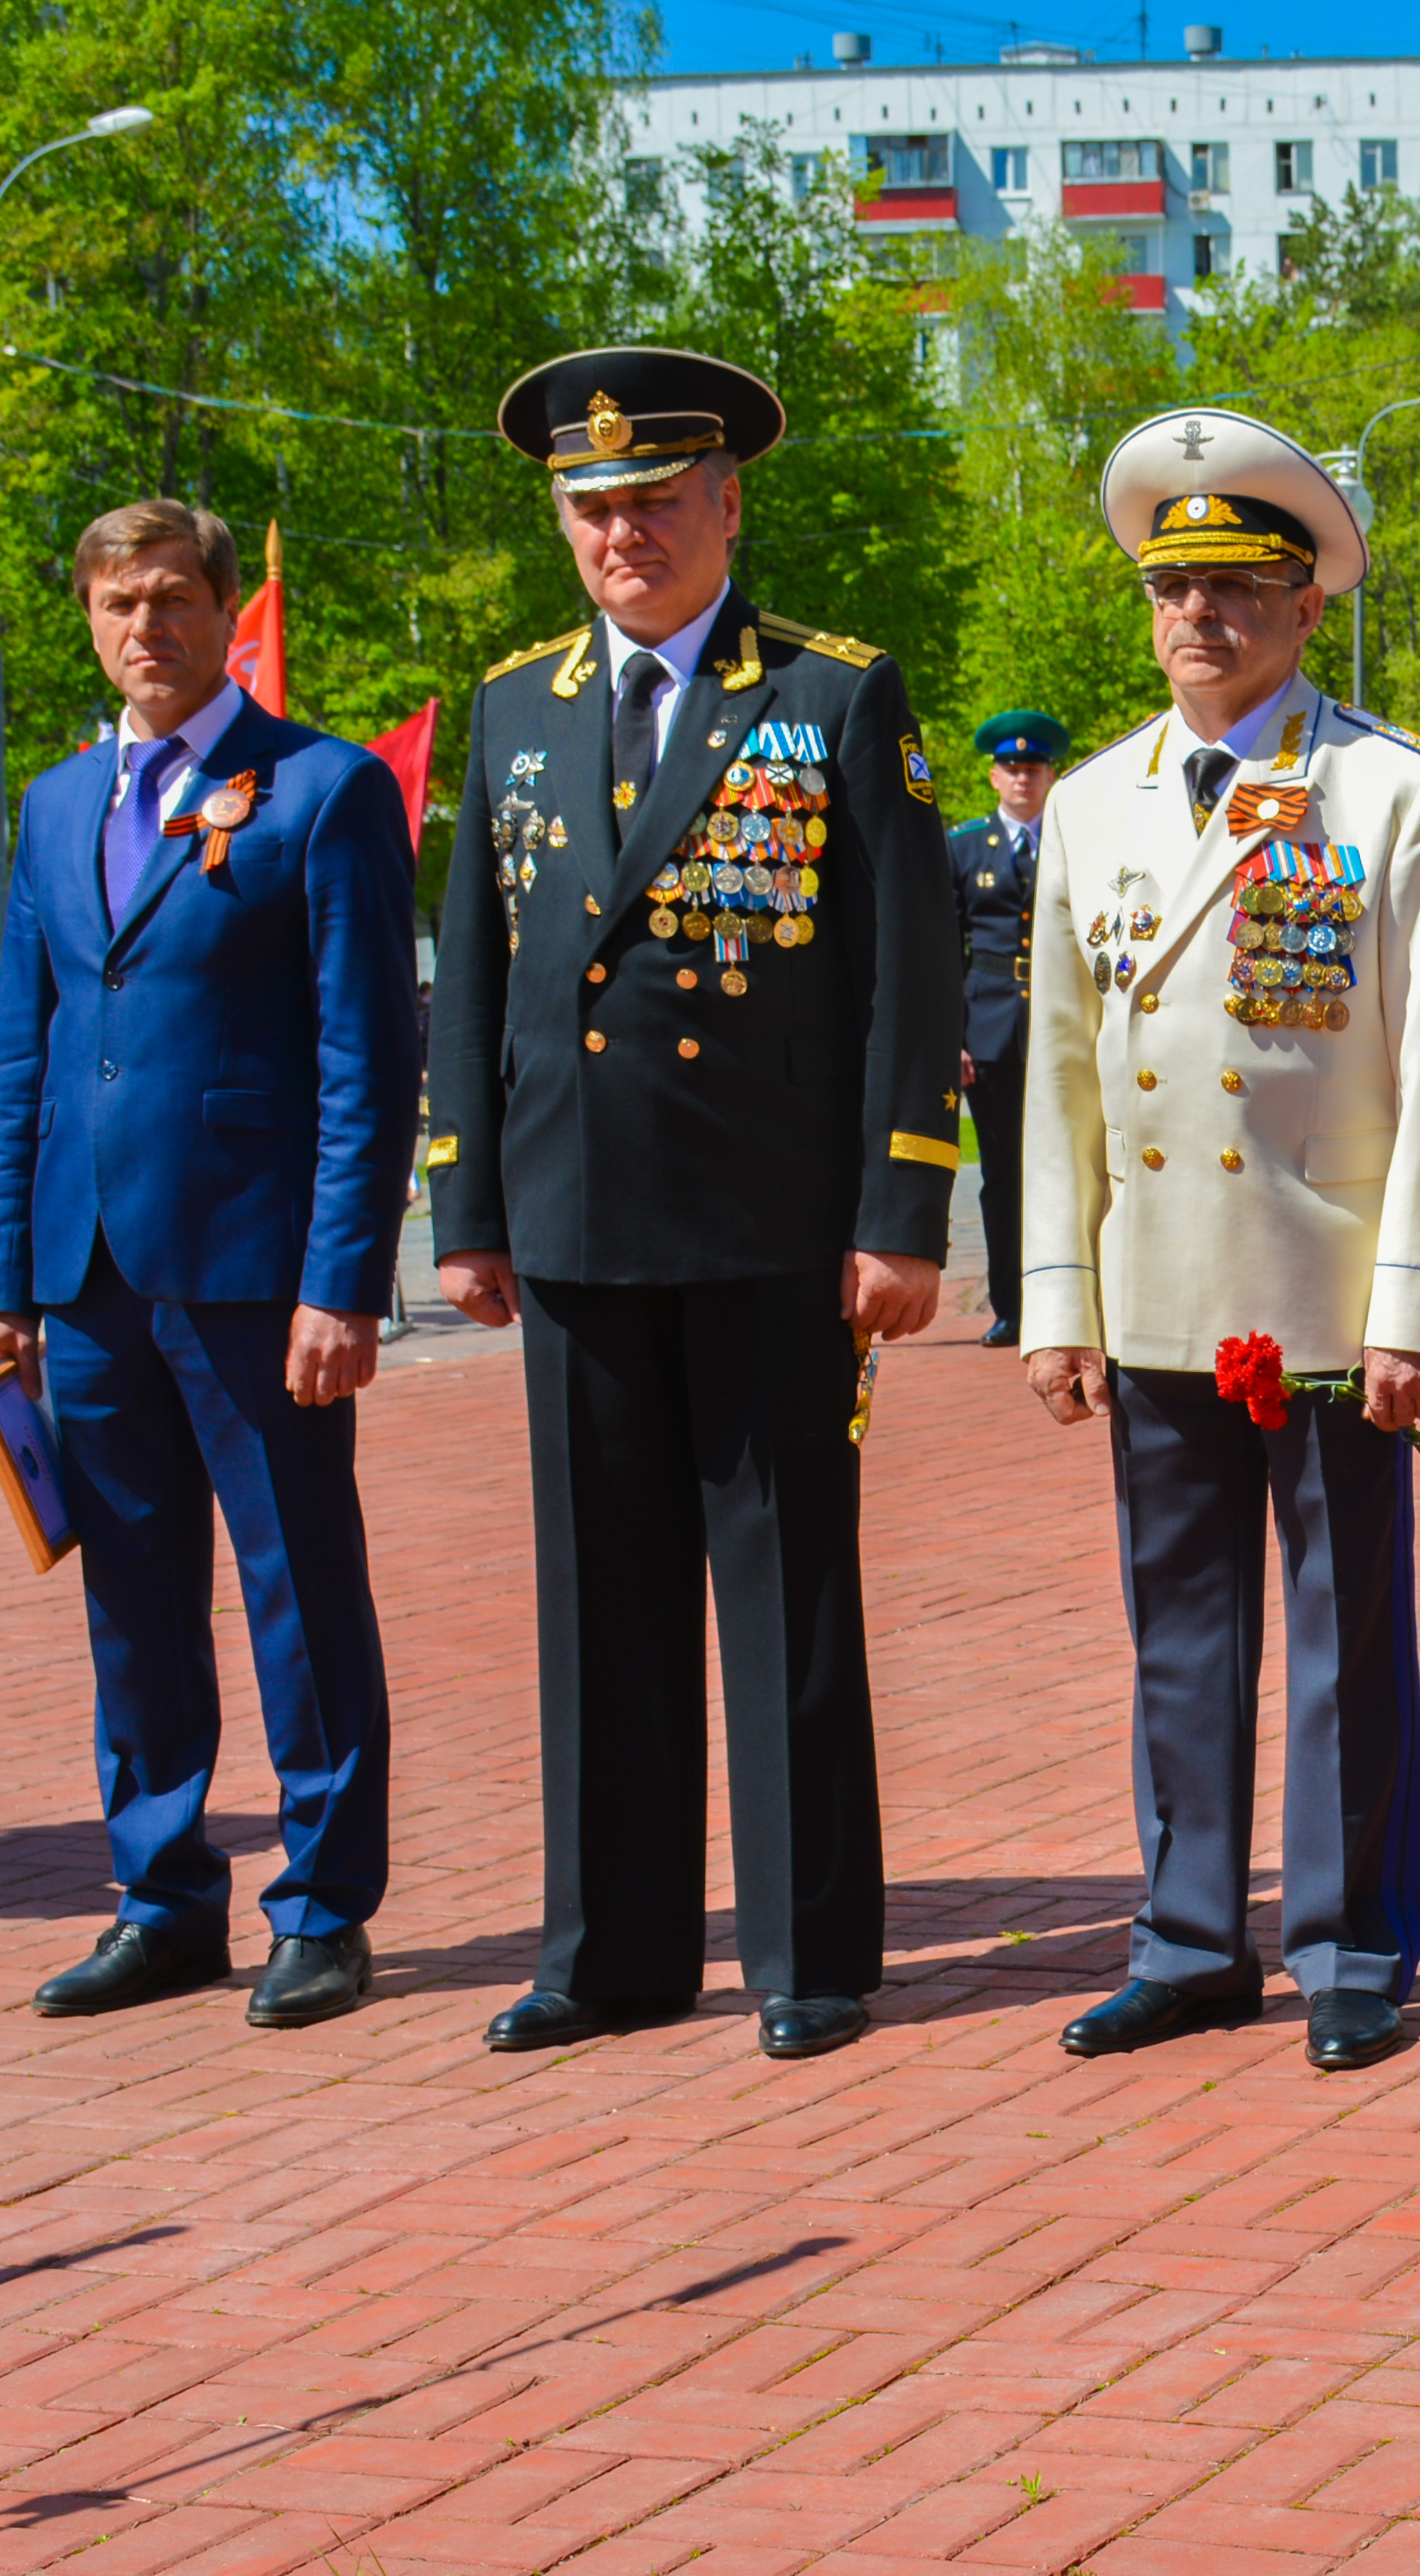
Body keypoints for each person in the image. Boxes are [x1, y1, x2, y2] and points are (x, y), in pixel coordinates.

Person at [426, 345, 965, 2063]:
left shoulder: (829, 694)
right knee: (601, 1600)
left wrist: (900, 1212)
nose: (624, 533)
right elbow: (474, 969)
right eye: (594, 508)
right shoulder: (514, 704)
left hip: (768, 1222)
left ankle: (808, 1951)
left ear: (728, 506)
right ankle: (611, 1949)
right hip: (575, 1216)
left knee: (784, 1584)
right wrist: (466, 1203)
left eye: (657, 500)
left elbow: (907, 974)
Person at [1011, 407, 1420, 2078]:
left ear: (1304, 601)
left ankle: (1349, 1946)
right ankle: (1190, 1935)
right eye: (1173, 589)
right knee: (1179, 1630)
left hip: (1322, 1278)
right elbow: (1059, 1069)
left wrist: (1415, 1297)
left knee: (1345, 1632)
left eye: (1234, 588)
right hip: (1156, 1277)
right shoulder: (1091, 803)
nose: (1199, 617)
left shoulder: (1395, 788)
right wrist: (1056, 1293)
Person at [0, 500, 420, 2028]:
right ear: (88, 621)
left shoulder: (322, 790)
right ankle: (161, 1900)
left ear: (227, 611)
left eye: (169, 597)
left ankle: (322, 1906)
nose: (143, 627)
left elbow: (368, 1057)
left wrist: (341, 1279)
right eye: (116, 602)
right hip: (87, 1273)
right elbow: (26, 1057)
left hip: (252, 1272)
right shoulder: (52, 805)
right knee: (134, 1596)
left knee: (299, 1586)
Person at [951, 710, 1063, 1348]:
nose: (1024, 778)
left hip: (1061, 1026)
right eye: (1013, 768)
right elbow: (945, 948)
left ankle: (1070, 1305)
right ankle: (1012, 1307)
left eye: (1034, 768)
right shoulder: (965, 847)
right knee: (1002, 1176)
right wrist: (953, 1038)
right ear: (994, 777)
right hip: (990, 1028)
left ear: (1051, 775)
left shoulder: (1074, 841)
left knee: (1069, 1170)